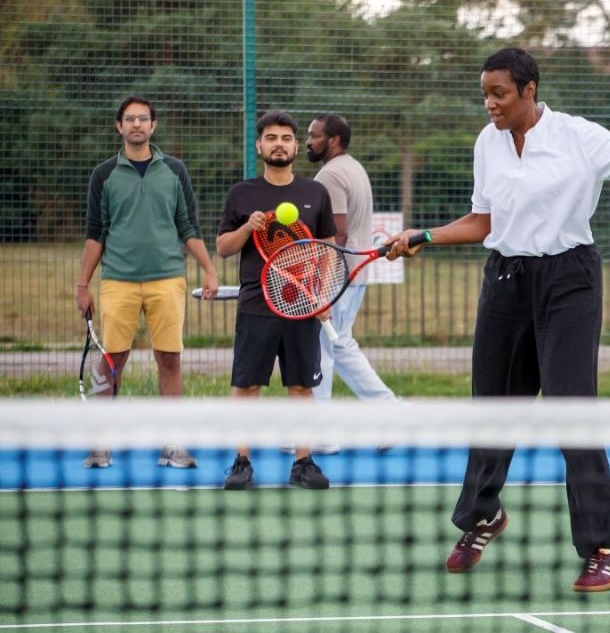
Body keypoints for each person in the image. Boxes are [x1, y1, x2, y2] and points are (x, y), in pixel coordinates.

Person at [385, 47, 610, 592]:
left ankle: (606, 547)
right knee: (491, 408)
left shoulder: (578, 136)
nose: (490, 104)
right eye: (485, 93)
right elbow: (483, 220)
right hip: (506, 280)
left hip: (569, 281)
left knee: (571, 413)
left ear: (529, 90)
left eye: (500, 94)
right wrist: (423, 236)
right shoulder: (487, 143)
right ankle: (482, 515)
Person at [75, 95, 219, 469]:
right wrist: (82, 285)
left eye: (143, 119)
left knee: (169, 359)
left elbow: (188, 226)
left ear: (153, 126)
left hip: (168, 280)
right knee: (112, 361)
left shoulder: (174, 170)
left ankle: (171, 444)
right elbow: (96, 233)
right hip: (117, 282)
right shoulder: (103, 174)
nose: (137, 124)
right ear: (119, 127)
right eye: (130, 119)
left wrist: (210, 269)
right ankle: (100, 444)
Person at [216, 110, 336, 491]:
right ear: (259, 145)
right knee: (246, 387)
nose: (279, 144)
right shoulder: (242, 194)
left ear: (296, 146)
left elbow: (328, 251)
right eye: (272, 138)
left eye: (286, 138)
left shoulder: (315, 193)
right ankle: (241, 462)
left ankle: (303, 463)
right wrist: (247, 229)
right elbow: (222, 248)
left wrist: (324, 292)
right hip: (256, 305)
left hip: (301, 306)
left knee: (301, 387)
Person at [306, 113, 396, 405]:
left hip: (339, 277)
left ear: (333, 140)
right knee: (339, 344)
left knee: (324, 349)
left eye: (314, 135)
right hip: (352, 274)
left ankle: (318, 430)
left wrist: (319, 282)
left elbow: (337, 233)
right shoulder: (353, 167)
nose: (308, 142)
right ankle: (392, 412)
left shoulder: (330, 175)